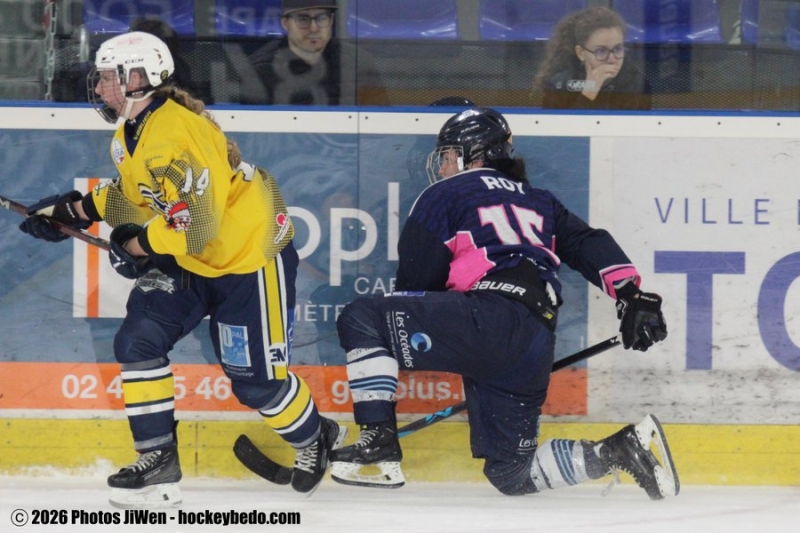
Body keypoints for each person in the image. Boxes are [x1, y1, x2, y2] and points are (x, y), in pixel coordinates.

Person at [18, 31, 345, 507]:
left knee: (257, 384)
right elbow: (137, 192)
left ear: (142, 79)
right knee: (138, 340)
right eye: (103, 79)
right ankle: (159, 464)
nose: (102, 88)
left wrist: (136, 241)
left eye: (110, 79)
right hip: (194, 259)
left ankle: (315, 436)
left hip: (248, 260)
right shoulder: (131, 131)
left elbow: (199, 227)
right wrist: (77, 210)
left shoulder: (176, 133)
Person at [328, 107, 678, 499]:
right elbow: (587, 243)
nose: (442, 166)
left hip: (486, 319)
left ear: (471, 154)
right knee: (513, 474)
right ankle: (618, 450)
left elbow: (414, 287)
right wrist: (631, 295)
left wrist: (417, 349)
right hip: (534, 339)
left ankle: (378, 439)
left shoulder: (444, 194)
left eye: (446, 156)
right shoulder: (540, 200)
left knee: (363, 317)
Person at [240, 0, 389, 106]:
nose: (313, 28)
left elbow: (379, 124)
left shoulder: (358, 62)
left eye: (321, 18)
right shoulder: (259, 70)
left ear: (331, 20)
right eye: (303, 19)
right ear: (285, 23)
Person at [532, 7, 652, 110]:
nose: (611, 59)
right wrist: (589, 91)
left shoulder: (638, 83)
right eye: (601, 51)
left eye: (617, 49)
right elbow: (557, 132)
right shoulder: (559, 84)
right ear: (581, 53)